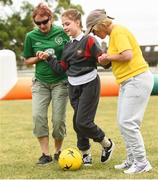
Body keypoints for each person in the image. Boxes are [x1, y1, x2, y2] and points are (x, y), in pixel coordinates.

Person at [37, 9, 114, 166]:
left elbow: (104, 62)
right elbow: (61, 69)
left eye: (67, 24)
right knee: (77, 122)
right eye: (63, 24)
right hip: (73, 87)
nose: (64, 27)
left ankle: (107, 144)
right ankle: (86, 154)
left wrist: (104, 60)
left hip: (90, 84)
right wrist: (49, 58)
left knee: (83, 121)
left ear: (77, 22)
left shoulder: (90, 41)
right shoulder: (67, 47)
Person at [85, 9, 154, 174]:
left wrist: (108, 57)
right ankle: (132, 160)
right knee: (123, 123)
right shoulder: (114, 34)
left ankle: (142, 163)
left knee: (128, 123)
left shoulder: (118, 32)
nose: (94, 33)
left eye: (93, 30)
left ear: (100, 24)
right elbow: (120, 56)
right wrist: (107, 58)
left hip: (136, 79)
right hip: (128, 81)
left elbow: (127, 55)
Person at [23, 3, 69, 165]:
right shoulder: (31, 36)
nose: (42, 25)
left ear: (51, 18)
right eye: (38, 23)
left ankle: (58, 152)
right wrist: (38, 57)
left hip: (60, 82)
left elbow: (70, 53)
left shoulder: (62, 32)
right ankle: (45, 154)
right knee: (38, 116)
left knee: (58, 120)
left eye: (45, 21)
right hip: (40, 83)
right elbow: (27, 60)